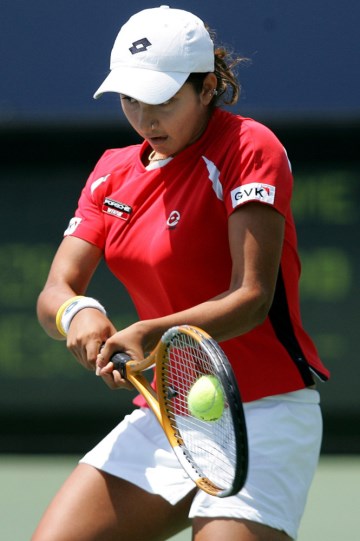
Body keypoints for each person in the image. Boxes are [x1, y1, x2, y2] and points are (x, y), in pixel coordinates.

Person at [32, 6, 330, 541]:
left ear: (208, 87)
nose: (146, 119)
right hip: (168, 411)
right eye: (129, 100)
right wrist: (79, 312)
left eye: (164, 100)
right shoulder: (111, 171)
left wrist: (149, 333)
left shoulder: (248, 147)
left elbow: (253, 296)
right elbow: (57, 290)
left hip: (263, 414)